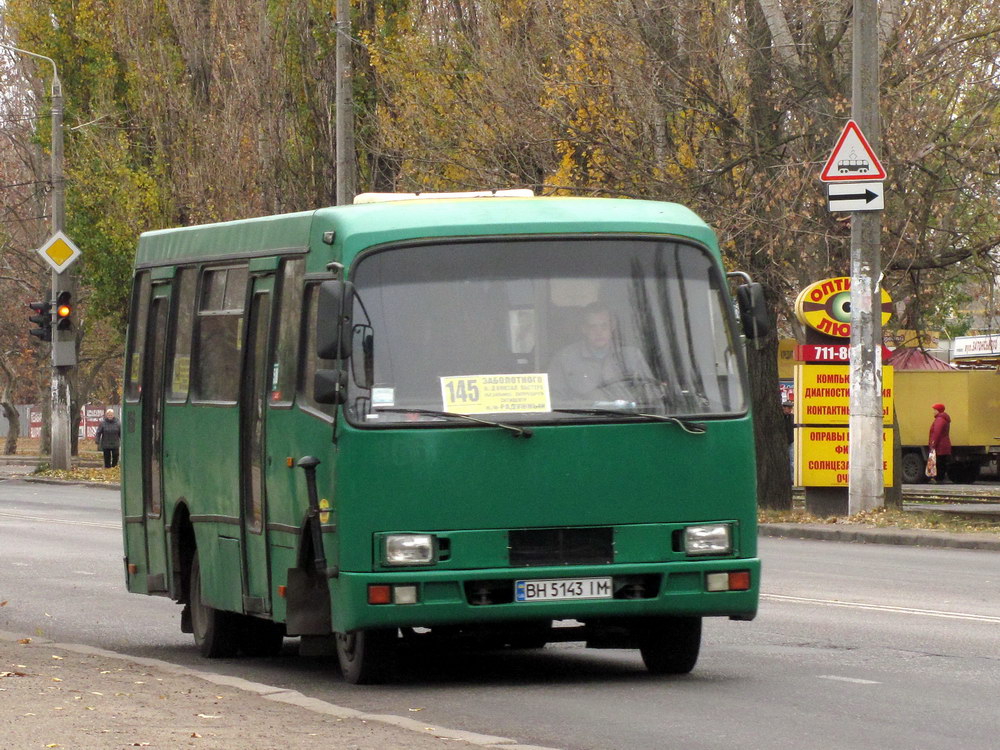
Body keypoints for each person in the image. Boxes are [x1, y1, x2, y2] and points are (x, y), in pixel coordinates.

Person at [548, 302, 657, 404]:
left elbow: (651, 394)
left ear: (612, 326)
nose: (599, 332)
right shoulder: (565, 358)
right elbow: (555, 399)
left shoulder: (632, 356)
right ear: (584, 329)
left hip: (628, 420)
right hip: (582, 420)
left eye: (604, 326)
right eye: (593, 327)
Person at [928, 402, 951, 482]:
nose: (933, 412)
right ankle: (940, 478)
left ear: (938, 410)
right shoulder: (944, 419)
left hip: (940, 445)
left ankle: (938, 479)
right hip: (944, 444)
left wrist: (933, 443)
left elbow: (936, 432)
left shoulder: (940, 419)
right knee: (942, 462)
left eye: (935, 410)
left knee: (939, 462)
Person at [782, 400, 795, 482]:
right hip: (782, 442)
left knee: (792, 461)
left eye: (791, 408)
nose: (790, 410)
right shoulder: (779, 417)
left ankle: (792, 479)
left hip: (790, 441)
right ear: (784, 408)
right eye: (788, 408)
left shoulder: (791, 417)